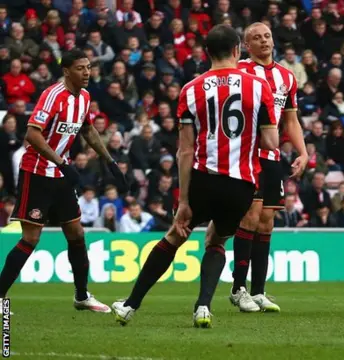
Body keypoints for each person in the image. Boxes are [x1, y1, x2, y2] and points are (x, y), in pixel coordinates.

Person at [111, 25, 279, 328]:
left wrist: (184, 201)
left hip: (204, 178)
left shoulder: (191, 89)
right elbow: (271, 144)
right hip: (242, 185)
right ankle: (203, 307)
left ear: (206, 53)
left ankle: (130, 305)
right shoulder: (260, 87)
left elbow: (185, 151)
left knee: (176, 235)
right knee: (215, 241)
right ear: (237, 51)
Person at [1, 49, 127, 313]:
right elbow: (33, 134)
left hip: (60, 175)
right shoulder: (52, 95)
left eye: (89, 67)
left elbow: (88, 129)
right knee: (31, 237)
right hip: (37, 173)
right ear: (67, 71)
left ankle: (82, 296)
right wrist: (61, 162)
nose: (87, 72)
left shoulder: (84, 97)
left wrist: (110, 161)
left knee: (77, 234)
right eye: (81, 68)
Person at [206, 22, 309, 313]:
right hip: (247, 154)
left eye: (267, 36)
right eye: (256, 38)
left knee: (267, 221)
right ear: (245, 46)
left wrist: (302, 151)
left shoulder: (286, 77)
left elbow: (290, 119)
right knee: (249, 217)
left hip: (273, 155)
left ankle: (259, 291)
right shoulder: (239, 72)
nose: (263, 41)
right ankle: (239, 288)